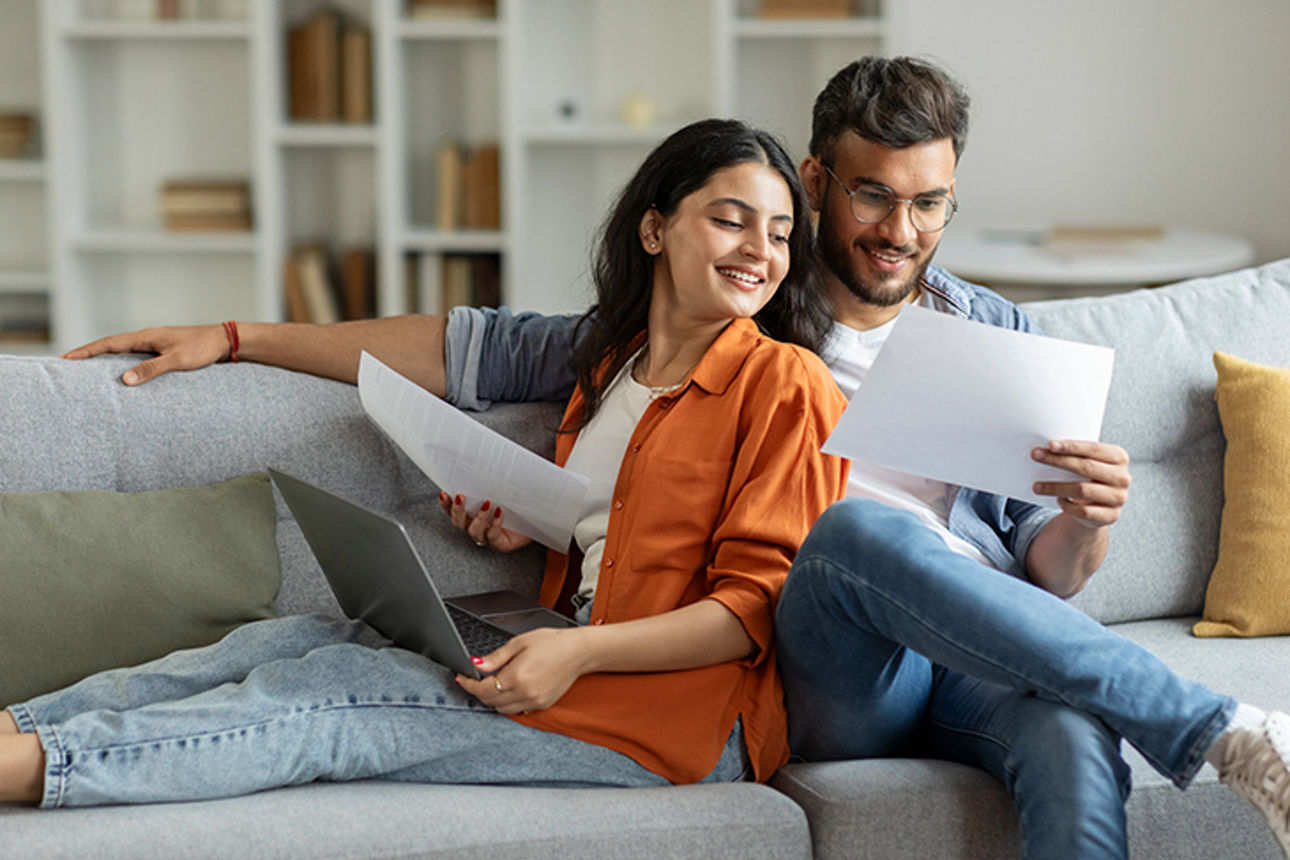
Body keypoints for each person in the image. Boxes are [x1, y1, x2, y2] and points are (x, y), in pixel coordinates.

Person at [59, 59, 1290, 858]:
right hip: (823, 654)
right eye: (869, 198)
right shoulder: (735, 300)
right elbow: (461, 345)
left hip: (974, 648)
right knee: (859, 534)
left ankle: (1225, 739)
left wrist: (1096, 518)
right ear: (817, 182)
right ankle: (1214, 721)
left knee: (1072, 730)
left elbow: (1054, 581)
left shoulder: (998, 332)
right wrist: (236, 334)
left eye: (929, 205)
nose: (898, 231)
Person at [0, 118, 850, 807]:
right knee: (295, 637)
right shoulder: (611, 371)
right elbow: (618, 537)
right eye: (730, 219)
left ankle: (43, 767)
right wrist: (524, 531)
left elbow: (752, 609)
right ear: (655, 228)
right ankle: (18, 725)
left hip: (674, 719)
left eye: (780, 233)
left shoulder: (787, 384)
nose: (760, 251)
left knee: (333, 702)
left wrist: (580, 656)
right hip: (565, 654)